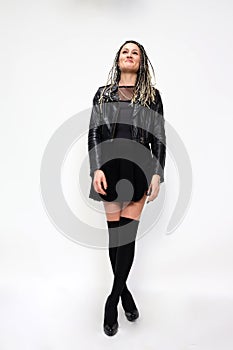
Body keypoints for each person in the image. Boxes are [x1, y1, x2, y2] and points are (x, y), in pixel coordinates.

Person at [88, 40, 166, 336]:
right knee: (115, 236)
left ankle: (112, 301)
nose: (129, 55)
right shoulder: (103, 94)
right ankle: (125, 294)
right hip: (108, 166)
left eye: (135, 52)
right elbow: (94, 131)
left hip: (139, 167)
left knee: (127, 235)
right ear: (118, 59)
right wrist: (95, 167)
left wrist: (157, 173)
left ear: (141, 61)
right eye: (125, 51)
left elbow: (158, 135)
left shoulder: (152, 97)